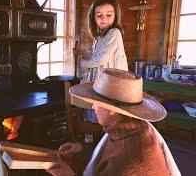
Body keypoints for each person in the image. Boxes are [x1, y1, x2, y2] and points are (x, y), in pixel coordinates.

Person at [46, 68, 181, 176]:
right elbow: (109, 156)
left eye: (97, 104)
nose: (93, 107)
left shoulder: (131, 164)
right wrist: (81, 150)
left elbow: (118, 164)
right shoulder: (131, 130)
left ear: (112, 110)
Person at [75, 0, 129, 124]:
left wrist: (81, 63)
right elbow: (96, 56)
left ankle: (104, 140)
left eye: (108, 15)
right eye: (99, 15)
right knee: (98, 115)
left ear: (115, 16)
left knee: (109, 118)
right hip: (103, 84)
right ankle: (96, 140)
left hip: (114, 85)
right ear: (93, 18)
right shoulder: (98, 38)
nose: (103, 18)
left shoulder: (114, 33)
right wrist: (82, 52)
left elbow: (99, 60)